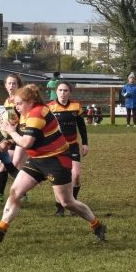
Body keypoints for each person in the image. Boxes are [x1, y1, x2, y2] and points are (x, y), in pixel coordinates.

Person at [0, 84, 106, 243]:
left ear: (31, 101)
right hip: (37, 160)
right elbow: (19, 130)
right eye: (16, 104)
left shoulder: (37, 113)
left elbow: (27, 142)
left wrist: (11, 131)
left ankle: (97, 225)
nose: (16, 107)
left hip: (57, 160)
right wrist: (6, 130)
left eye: (19, 103)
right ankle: (1, 228)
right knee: (15, 191)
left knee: (67, 202)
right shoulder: (25, 111)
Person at [47, 81, 88, 216]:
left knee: (75, 176)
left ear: (69, 92)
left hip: (72, 146)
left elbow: (81, 126)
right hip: (56, 148)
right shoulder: (50, 107)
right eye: (60, 90)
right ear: (56, 91)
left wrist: (85, 143)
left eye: (65, 91)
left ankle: (73, 203)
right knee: (58, 178)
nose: (62, 93)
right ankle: (59, 207)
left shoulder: (76, 106)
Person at [0, 74, 27, 201]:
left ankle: (22, 193)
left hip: (21, 134)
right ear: (5, 85)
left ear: (18, 85)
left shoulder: (23, 99)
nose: (11, 86)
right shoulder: (7, 100)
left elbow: (23, 117)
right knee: (1, 163)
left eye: (14, 83)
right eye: (9, 83)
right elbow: (7, 115)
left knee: (16, 163)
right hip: (8, 134)